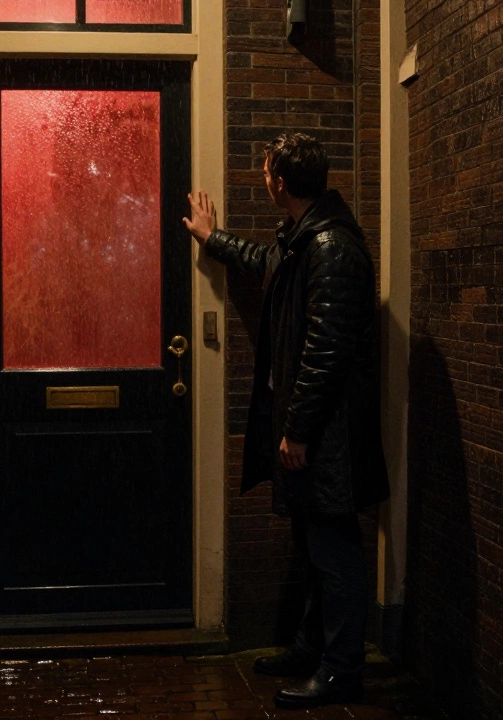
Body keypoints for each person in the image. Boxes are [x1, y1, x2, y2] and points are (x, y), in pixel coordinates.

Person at [182, 132, 389, 709]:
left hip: (328, 437)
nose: (262, 178)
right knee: (315, 543)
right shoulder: (307, 238)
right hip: (319, 432)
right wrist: (212, 237)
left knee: (335, 548)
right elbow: (265, 262)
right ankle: (310, 647)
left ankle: (341, 669)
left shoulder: (330, 249)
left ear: (280, 181)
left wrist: (297, 430)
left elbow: (326, 352)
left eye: (266, 170)